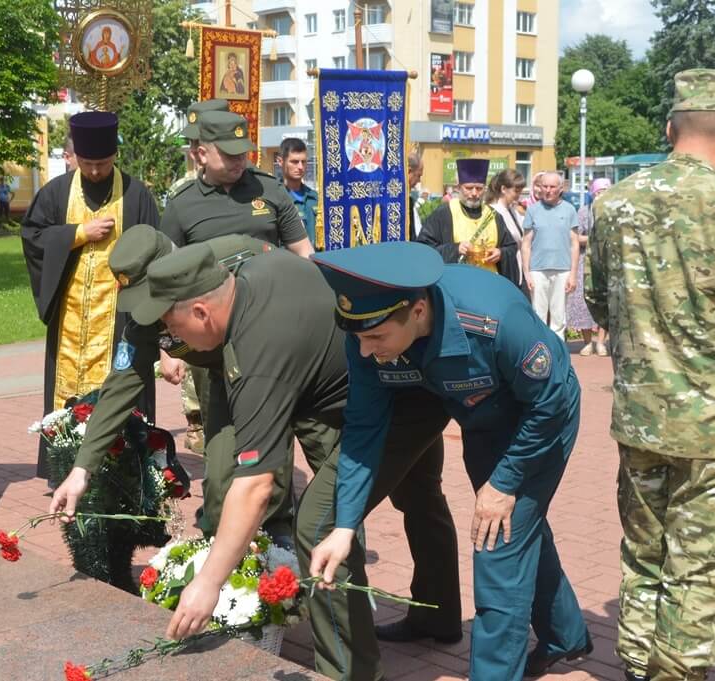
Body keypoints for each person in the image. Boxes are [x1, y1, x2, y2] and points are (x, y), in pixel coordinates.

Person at [120, 240, 461, 680]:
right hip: (390, 378)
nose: (174, 342)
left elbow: (258, 484)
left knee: (320, 521)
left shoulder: (256, 350)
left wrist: (206, 584)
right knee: (417, 495)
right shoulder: (253, 272)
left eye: (174, 326)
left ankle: (351, 672)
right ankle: (445, 614)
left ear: (202, 311)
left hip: (398, 395)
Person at [309, 241, 590, 680]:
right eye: (359, 338)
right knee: (519, 527)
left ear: (418, 310)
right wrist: (345, 525)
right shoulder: (369, 334)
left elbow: (549, 402)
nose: (365, 352)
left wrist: (506, 481)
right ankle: (564, 634)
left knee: (497, 544)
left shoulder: (493, 318)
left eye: (376, 338)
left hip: (538, 421)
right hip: (481, 421)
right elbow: (363, 431)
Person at [585, 69, 715, 681]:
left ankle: (639, 668)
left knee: (644, 558)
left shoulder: (613, 203)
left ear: (670, 127)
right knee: (698, 575)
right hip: (713, 430)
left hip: (639, 420)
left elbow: (597, 302)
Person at [48, 228, 301, 538]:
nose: (151, 307)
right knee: (221, 488)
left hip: (287, 366)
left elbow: (291, 283)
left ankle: (287, 540)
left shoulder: (234, 254)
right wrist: (81, 469)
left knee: (322, 480)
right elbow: (120, 387)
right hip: (227, 380)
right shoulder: (145, 315)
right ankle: (243, 564)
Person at [21, 110, 160, 480]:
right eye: (87, 163)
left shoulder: (136, 195)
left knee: (123, 386)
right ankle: (64, 467)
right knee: (67, 391)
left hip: (121, 319)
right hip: (70, 318)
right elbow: (32, 237)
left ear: (115, 155)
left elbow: (156, 251)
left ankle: (123, 469)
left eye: (101, 163)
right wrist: (78, 233)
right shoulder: (55, 193)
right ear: (75, 157)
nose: (95, 170)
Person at [168, 98, 230, 455]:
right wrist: (173, 347)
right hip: (201, 317)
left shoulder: (259, 190)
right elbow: (174, 269)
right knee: (209, 412)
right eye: (191, 143)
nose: (192, 150)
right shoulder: (182, 196)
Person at [161, 111, 312, 256]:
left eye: (242, 152)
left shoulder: (270, 189)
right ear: (202, 154)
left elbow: (303, 251)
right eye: (231, 154)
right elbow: (167, 269)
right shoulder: (181, 204)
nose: (240, 160)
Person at [418, 158, 521, 286]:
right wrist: (455, 249)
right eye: (469, 188)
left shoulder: (493, 216)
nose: (474, 194)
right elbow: (424, 248)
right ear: (458, 188)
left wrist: (500, 253)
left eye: (479, 189)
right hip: (456, 285)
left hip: (488, 285)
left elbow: (511, 247)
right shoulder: (444, 213)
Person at [521, 171, 580, 340]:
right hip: (537, 269)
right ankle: (539, 352)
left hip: (563, 269)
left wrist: (574, 274)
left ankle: (558, 352)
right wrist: (527, 273)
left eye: (552, 187)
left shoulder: (569, 210)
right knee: (538, 314)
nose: (548, 190)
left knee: (558, 316)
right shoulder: (532, 210)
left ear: (560, 188)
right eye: (544, 186)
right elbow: (526, 244)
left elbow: (574, 243)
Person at [570, 178, 610, 356]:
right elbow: (576, 238)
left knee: (606, 298)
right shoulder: (584, 211)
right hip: (586, 259)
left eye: (605, 191)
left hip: (607, 260)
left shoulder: (613, 211)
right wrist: (595, 238)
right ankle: (587, 341)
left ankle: (601, 342)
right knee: (583, 300)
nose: (601, 195)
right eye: (598, 192)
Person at [486, 168, 527, 294]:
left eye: (520, 191)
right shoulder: (493, 211)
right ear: (503, 189)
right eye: (516, 191)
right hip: (503, 271)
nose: (519, 195)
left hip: (517, 269)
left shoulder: (513, 211)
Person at [276, 137, 319, 247]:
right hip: (290, 262)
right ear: (280, 161)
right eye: (294, 162)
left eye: (303, 162)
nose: (300, 167)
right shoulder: (275, 198)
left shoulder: (315, 198)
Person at [407, 150, 424, 239]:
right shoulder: (405, 202)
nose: (419, 181)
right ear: (408, 172)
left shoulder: (409, 200)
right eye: (418, 175)